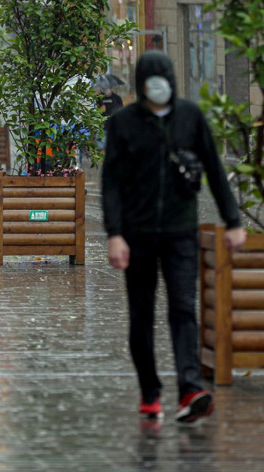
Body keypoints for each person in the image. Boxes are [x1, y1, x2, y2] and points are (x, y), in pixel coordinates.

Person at [102, 51, 246, 423]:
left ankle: (190, 388)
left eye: (163, 77)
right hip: (137, 234)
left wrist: (233, 221)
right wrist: (114, 234)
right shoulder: (124, 123)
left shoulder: (190, 117)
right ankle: (150, 392)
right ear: (140, 83)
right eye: (151, 79)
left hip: (181, 231)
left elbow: (215, 170)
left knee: (183, 309)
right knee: (142, 315)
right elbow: (112, 184)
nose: (158, 85)